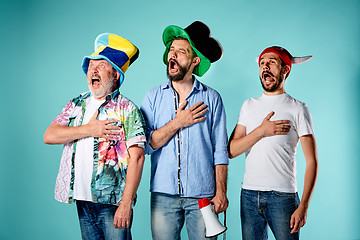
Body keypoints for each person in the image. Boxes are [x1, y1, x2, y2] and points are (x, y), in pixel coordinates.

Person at [43, 33, 146, 240]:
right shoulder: (76, 104)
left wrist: (126, 204)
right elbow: (50, 135)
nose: (93, 70)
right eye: (91, 66)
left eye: (101, 66)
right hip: (82, 200)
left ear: (115, 74)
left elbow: (138, 157)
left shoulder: (128, 109)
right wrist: (89, 129)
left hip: (112, 203)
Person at [141, 21, 229, 240]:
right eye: (171, 50)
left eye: (181, 52)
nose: (173, 55)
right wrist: (177, 122)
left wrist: (221, 192)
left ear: (194, 61)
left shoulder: (212, 98)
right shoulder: (152, 97)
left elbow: (220, 150)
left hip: (203, 196)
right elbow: (147, 144)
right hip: (163, 196)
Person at [228, 46, 319, 240]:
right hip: (249, 195)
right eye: (262, 63)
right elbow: (232, 150)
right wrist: (261, 131)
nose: (265, 67)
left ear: (285, 70)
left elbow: (312, 162)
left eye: (272, 62)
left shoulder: (298, 108)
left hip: (283, 197)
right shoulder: (248, 105)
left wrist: (303, 206)